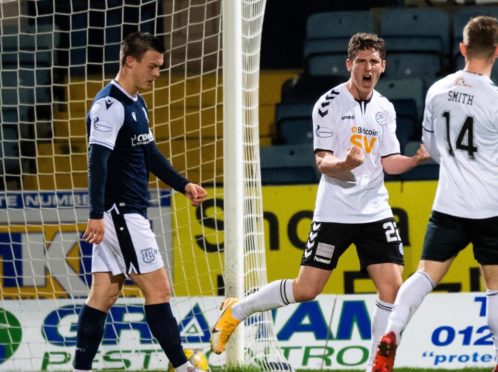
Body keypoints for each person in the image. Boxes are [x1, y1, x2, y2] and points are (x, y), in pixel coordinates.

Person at [210, 32, 430, 371]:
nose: (367, 67)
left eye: (374, 62)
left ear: (383, 66)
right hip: (335, 211)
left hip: (375, 211)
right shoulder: (328, 104)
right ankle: (236, 311)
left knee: (392, 287)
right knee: (306, 289)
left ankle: (377, 365)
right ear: (349, 65)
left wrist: (413, 160)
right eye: (361, 61)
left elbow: (388, 162)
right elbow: (322, 161)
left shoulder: (385, 108)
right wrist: (344, 165)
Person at [371, 16, 498, 372]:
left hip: (449, 205)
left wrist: (455, 163)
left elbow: (430, 146)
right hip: (491, 208)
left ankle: (392, 333)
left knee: (426, 274)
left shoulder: (437, 90)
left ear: (463, 48)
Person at [75, 31, 208, 372]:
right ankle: (182, 366)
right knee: (159, 289)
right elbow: (97, 160)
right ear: (129, 62)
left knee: (103, 295)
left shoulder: (136, 102)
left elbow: (148, 152)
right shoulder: (109, 105)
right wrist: (96, 214)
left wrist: (182, 184)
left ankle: (80, 368)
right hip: (121, 214)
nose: (157, 73)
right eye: (152, 66)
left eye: (160, 67)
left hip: (119, 213)